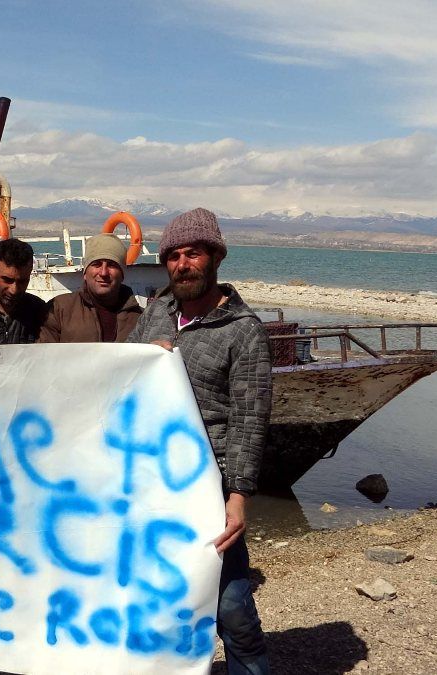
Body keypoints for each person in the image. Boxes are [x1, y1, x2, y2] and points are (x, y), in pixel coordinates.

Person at [126, 208, 272, 675]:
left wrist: (239, 497)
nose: (182, 264)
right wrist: (142, 358)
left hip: (209, 487)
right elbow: (120, 376)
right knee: (155, 596)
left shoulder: (243, 331)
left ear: (215, 259)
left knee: (230, 604)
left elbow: (250, 418)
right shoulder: (157, 313)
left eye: (193, 254)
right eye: (173, 256)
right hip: (151, 482)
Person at [38, 233, 142, 343]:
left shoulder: (140, 318)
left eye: (111, 265)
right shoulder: (59, 309)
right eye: (96, 264)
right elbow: (44, 351)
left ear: (122, 274)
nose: (103, 273)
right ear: (85, 273)